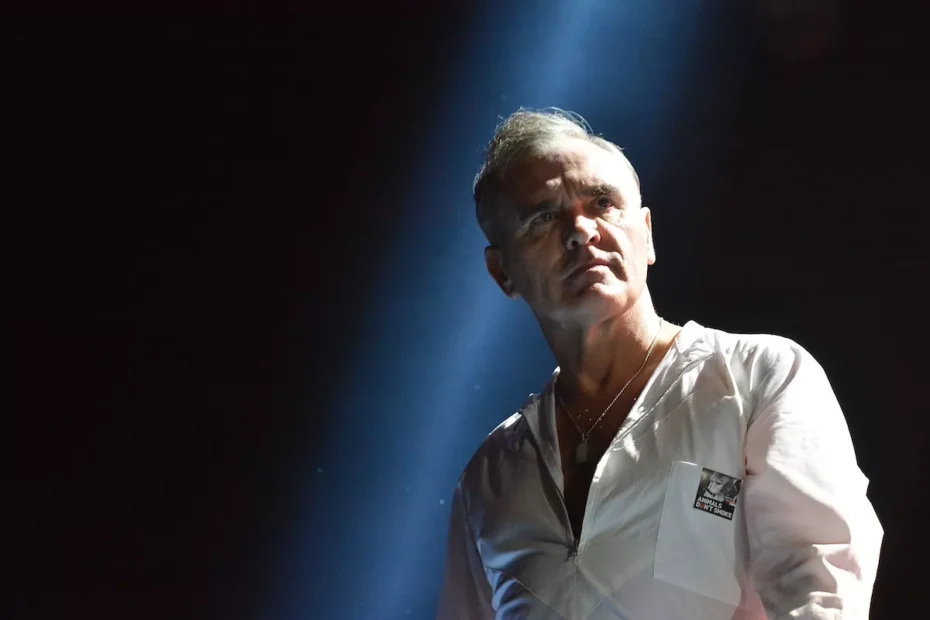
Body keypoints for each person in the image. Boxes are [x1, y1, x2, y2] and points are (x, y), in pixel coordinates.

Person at [436, 108, 883, 619]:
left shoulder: (758, 379)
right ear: (502, 272)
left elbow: (823, 589)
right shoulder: (490, 476)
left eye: (602, 203)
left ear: (646, 234)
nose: (580, 231)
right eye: (543, 218)